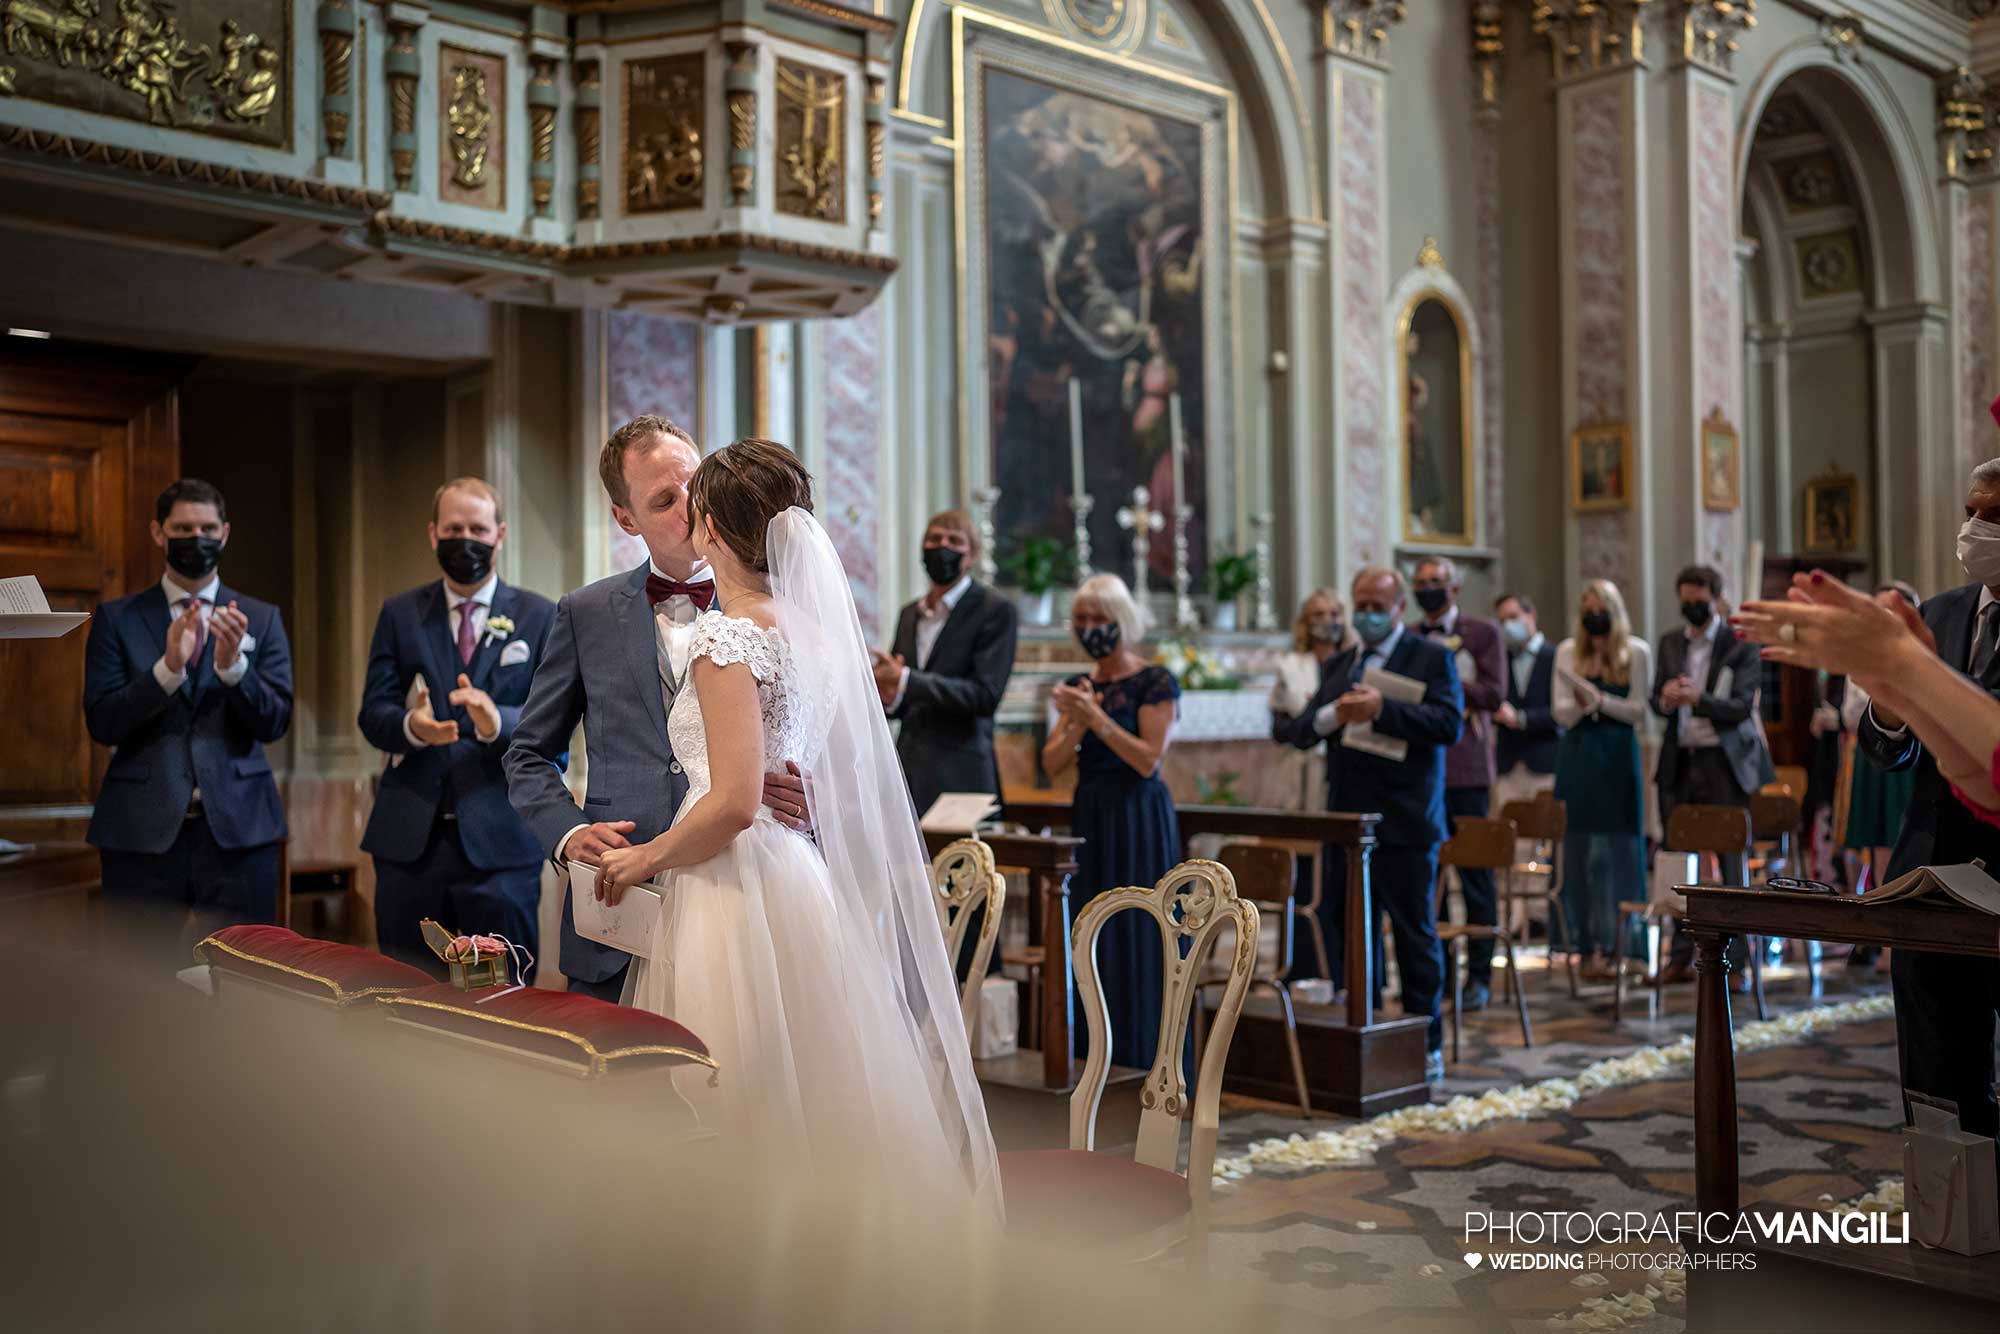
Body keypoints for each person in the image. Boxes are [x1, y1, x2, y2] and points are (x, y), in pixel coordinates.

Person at [590, 439, 998, 1203]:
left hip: (731, 884)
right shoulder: (814, 631)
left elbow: (734, 803)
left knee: (737, 1090)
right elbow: (820, 771)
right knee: (816, 1085)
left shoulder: (728, 636)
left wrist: (642, 860)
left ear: (711, 526)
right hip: (797, 879)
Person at [504, 417, 808, 1001]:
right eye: (664, 500)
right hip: (620, 903)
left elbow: (844, 751)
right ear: (626, 519)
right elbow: (528, 754)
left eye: (696, 485)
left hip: (744, 902)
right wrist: (569, 834)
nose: (691, 508)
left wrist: (813, 797)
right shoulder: (586, 612)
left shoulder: (776, 612)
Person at [1735, 561, 2000, 1171]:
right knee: (1936, 1087)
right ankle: (1950, 1205)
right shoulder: (1941, 611)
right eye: (1970, 516)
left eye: (1992, 517)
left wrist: (1908, 668)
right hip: (1930, 875)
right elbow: (1935, 759)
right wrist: (1891, 695)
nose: (1976, 528)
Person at [358, 478, 556, 980]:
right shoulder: (400, 614)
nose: (465, 539)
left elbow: (554, 721)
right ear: (433, 534)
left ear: (500, 534)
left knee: (503, 996)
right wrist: (412, 726)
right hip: (409, 843)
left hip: (501, 842)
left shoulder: (540, 615)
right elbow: (373, 713)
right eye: (452, 529)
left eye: (477, 529)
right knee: (403, 991)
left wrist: (497, 721)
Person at [83, 479, 293, 947]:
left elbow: (276, 720)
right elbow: (102, 721)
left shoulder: (262, 618)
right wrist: (167, 670)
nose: (196, 538)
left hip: (239, 827)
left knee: (247, 971)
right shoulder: (118, 618)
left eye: (207, 529)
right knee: (136, 973)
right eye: (182, 529)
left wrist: (233, 669)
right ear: (159, 533)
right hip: (141, 828)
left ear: (225, 533)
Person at [1283, 566, 1461, 1080]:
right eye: (1359, 605)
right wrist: (1334, 716)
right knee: (1352, 934)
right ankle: (1368, 1035)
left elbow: (1448, 724)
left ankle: (1425, 1043)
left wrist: (1383, 709)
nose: (1366, 614)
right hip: (1349, 823)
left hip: (1406, 821)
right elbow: (1302, 730)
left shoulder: (1431, 657)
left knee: (1413, 935)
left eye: (1376, 606)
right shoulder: (1342, 662)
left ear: (1399, 608)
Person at [1040, 574, 1183, 1073]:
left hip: (1138, 815)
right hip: (1092, 815)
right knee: (1092, 928)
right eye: (1081, 619)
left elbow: (1148, 760)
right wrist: (1078, 720)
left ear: (1122, 620)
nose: (1090, 627)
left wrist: (1096, 720)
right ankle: (1096, 1054)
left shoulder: (1154, 681)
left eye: (1099, 618)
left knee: (1139, 928)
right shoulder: (1081, 686)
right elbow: (1052, 762)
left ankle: (1146, 1054)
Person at [1651, 563, 1774, 985]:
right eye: (1685, 601)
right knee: (1674, 859)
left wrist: (1697, 699)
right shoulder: (1670, 643)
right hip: (1680, 760)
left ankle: (1735, 963)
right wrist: (1666, 698)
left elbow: (1740, 706)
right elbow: (1654, 699)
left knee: (1730, 863)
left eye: (1699, 601)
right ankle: (1679, 955)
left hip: (1724, 763)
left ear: (1717, 600)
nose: (1692, 607)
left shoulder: (1740, 643)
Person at [873, 509, 1019, 819]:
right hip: (911, 772)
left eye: (955, 540)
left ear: (972, 556)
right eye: (934, 539)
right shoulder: (910, 614)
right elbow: (905, 700)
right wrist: (889, 694)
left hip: (962, 773)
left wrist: (906, 680)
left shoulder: (995, 610)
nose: (943, 546)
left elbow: (985, 695)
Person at [1412, 556, 1506, 1009]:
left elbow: (1495, 693)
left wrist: (1442, 672)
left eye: (1436, 581)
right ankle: (1440, 974)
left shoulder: (1482, 633)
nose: (1428, 588)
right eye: (1421, 582)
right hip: (1421, 770)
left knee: (1475, 876)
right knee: (1428, 879)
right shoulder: (1410, 636)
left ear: (1454, 588)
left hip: (1467, 768)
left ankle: (1480, 976)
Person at [1551, 580, 1652, 982]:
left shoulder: (1636, 651)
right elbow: (1559, 712)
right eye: (1588, 610)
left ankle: (1624, 946)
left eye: (1601, 610)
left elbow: (1639, 710)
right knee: (1577, 854)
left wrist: (1601, 701)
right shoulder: (1567, 651)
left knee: (1620, 853)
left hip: (1617, 756)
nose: (1594, 616)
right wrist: (1581, 706)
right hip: (1578, 755)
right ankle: (1581, 945)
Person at [1492, 592, 1562, 813]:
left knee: (1547, 830)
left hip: (1546, 762)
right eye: (1502, 621)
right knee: (1509, 830)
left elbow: (1563, 712)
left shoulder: (1557, 656)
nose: (1508, 625)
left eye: (1513, 617)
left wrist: (1521, 719)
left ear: (1531, 615)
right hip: (1508, 764)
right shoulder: (1499, 660)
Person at [1270, 588, 1348, 738]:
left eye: (1334, 614)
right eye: (1319, 614)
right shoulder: (1289, 666)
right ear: (1306, 621)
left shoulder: (1354, 662)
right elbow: (1280, 728)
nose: (1328, 620)